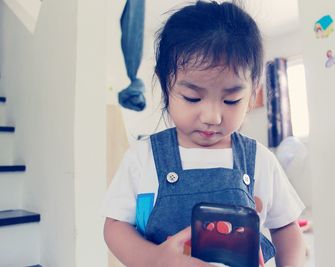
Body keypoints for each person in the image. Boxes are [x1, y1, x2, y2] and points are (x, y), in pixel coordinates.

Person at [102, 1, 306, 266]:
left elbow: (287, 228)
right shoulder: (144, 158)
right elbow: (115, 226)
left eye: (231, 100)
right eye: (192, 97)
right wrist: (152, 258)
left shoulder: (260, 160)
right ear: (165, 84)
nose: (212, 117)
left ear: (254, 88)